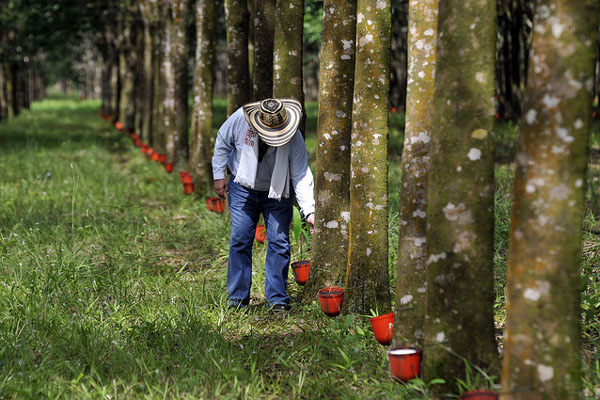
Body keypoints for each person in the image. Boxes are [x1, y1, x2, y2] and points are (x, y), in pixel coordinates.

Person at [212, 98, 315, 312]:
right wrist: (218, 175)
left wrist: (309, 210)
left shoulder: (293, 136)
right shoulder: (240, 119)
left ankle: (277, 299)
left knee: (279, 242)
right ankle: (237, 300)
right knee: (240, 239)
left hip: (277, 191)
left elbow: (301, 172)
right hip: (242, 188)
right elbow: (223, 141)